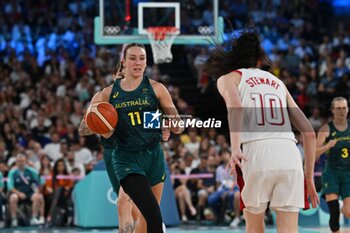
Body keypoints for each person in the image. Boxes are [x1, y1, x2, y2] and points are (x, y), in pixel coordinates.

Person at [204, 31, 319, 233]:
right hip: (290, 155)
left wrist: (234, 148)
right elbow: (309, 133)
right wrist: (308, 177)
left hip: (256, 153)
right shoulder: (279, 83)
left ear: (234, 57)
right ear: (259, 59)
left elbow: (236, 109)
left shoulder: (228, 78)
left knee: (254, 227)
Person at [316, 97, 350, 233]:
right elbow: (314, 152)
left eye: (344, 108)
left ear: (348, 109)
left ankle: (343, 209)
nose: (342, 111)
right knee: (334, 214)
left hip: (348, 173)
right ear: (333, 110)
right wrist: (327, 146)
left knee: (348, 212)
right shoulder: (326, 129)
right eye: (338, 108)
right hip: (332, 173)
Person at [7, 154, 45, 226]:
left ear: (26, 162)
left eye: (22, 161)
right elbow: (10, 187)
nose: (21, 163)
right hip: (17, 192)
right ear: (16, 162)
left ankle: (33, 218)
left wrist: (38, 191)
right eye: (19, 161)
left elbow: (41, 181)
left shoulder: (31, 171)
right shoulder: (12, 172)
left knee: (38, 197)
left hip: (29, 192)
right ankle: (14, 219)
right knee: (13, 198)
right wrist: (19, 193)